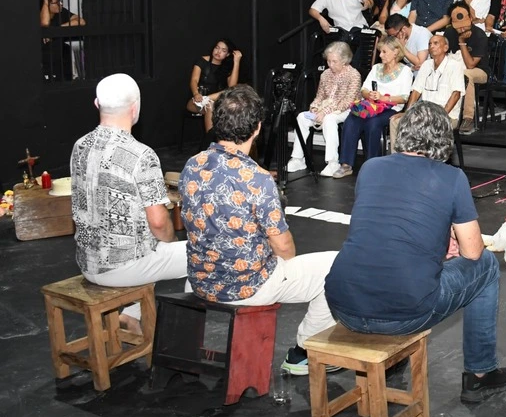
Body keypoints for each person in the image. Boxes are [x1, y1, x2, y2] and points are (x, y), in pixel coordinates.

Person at [326, 102, 506, 402]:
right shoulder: (452, 178)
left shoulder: (370, 168)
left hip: (343, 304)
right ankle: (480, 375)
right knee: (488, 267)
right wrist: (447, 243)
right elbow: (474, 252)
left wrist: (438, 243)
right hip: (404, 313)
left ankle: (393, 360)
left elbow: (389, 230)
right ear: (444, 140)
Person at [180, 85, 338, 376]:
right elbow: (284, 247)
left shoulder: (192, 165)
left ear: (217, 123)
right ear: (257, 128)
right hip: (246, 286)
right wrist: (285, 270)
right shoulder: (257, 178)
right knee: (337, 268)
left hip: (200, 280)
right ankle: (306, 351)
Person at [72, 74, 184, 337]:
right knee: (201, 255)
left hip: (87, 262)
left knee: (144, 243)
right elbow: (158, 222)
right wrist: (168, 243)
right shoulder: (141, 155)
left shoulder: (79, 146)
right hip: (122, 268)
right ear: (135, 108)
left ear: (97, 104)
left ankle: (130, 316)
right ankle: (180, 344)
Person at [332, 35, 413, 177]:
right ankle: (346, 164)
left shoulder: (405, 71)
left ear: (395, 52)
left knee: (373, 123)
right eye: (380, 51)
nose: (380, 55)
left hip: (390, 108)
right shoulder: (376, 68)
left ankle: (372, 164)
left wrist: (383, 98)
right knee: (352, 119)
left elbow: (404, 98)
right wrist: (370, 95)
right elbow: (363, 89)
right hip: (371, 106)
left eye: (384, 52)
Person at [288, 41, 362, 177]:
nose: (330, 65)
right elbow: (319, 96)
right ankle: (298, 158)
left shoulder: (354, 75)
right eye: (329, 61)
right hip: (323, 110)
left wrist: (325, 112)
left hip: (346, 111)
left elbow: (347, 101)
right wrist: (315, 108)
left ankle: (332, 162)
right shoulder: (325, 75)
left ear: (345, 60)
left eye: (334, 61)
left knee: (329, 119)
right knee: (302, 117)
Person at [444, 1, 490, 135]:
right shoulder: (449, 32)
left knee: (466, 74)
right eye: (458, 27)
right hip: (455, 68)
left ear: (470, 18)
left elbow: (471, 65)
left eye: (464, 25)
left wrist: (462, 43)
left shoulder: (479, 35)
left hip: (479, 71)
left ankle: (468, 117)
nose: (462, 29)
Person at [186, 39, 242, 133]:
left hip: (217, 103)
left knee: (228, 96)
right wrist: (196, 94)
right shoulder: (202, 61)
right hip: (197, 101)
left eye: (223, 50)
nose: (218, 52)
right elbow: (194, 80)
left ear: (228, 54)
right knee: (210, 105)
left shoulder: (226, 67)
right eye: (217, 48)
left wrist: (236, 62)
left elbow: (232, 87)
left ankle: (214, 143)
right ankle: (211, 142)